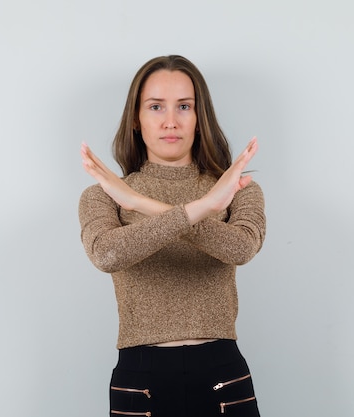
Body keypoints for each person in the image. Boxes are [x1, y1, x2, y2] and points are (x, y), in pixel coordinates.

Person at [78, 55, 266, 417]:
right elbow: (107, 255)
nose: (170, 121)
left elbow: (241, 248)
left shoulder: (237, 188)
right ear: (136, 117)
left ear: (200, 116)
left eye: (184, 106)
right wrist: (200, 208)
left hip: (221, 373)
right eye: (155, 106)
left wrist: (139, 203)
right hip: (140, 375)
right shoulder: (104, 194)